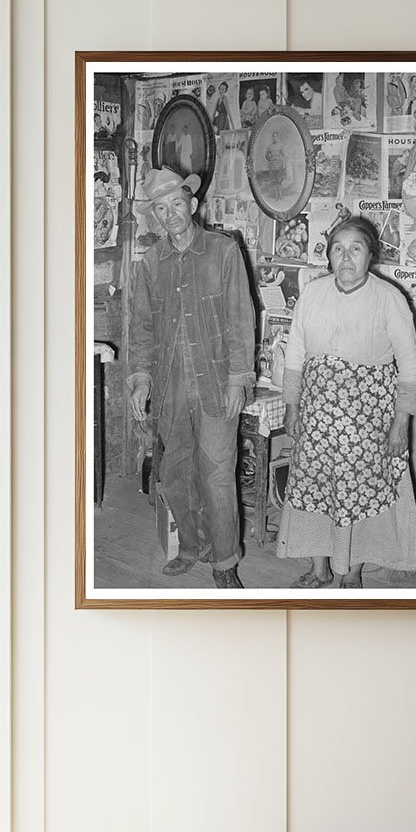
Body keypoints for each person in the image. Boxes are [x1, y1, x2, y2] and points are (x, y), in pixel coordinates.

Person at [276, 217, 416, 588]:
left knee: (359, 494)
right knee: (313, 489)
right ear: (328, 255)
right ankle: (319, 568)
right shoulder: (313, 293)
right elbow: (295, 355)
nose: (345, 257)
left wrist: (401, 423)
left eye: (355, 249)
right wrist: (292, 406)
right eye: (338, 249)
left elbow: (410, 366)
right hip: (316, 417)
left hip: (367, 422)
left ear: (370, 255)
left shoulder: (389, 299)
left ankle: (352, 571)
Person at [128, 168, 257, 588]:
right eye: (161, 209)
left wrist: (239, 378)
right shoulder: (151, 263)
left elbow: (241, 319)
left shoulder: (223, 251)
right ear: (155, 216)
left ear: (193, 205)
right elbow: (142, 327)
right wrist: (141, 377)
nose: (171, 216)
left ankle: (225, 563)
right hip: (171, 388)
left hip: (217, 383)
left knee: (217, 475)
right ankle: (189, 546)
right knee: (176, 473)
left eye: (177, 205)